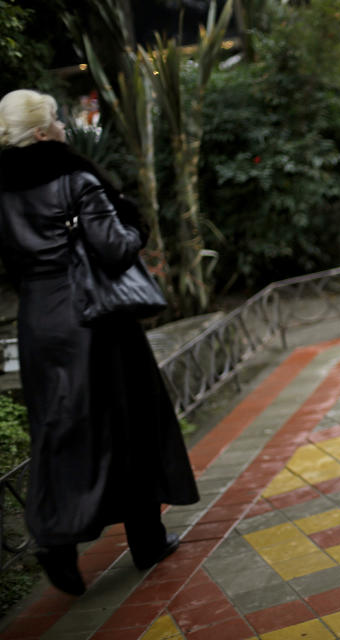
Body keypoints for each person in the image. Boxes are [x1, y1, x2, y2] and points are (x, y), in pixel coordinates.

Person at [0, 89, 199, 596]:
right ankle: (147, 539)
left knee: (59, 431)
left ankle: (56, 541)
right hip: (95, 320)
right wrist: (134, 224)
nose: (66, 127)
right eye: (58, 121)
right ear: (43, 132)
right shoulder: (76, 178)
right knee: (129, 423)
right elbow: (113, 249)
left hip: (38, 322)